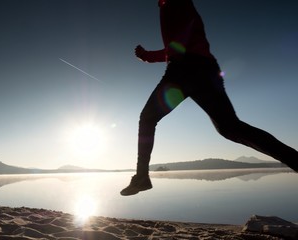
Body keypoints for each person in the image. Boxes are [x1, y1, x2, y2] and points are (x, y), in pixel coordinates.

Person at [120, 0, 298, 196]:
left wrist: (165, 57)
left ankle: (142, 177)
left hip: (184, 69)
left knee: (147, 118)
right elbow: (179, 43)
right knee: (230, 128)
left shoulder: (173, 3)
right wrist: (148, 56)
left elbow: (186, 34)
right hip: (204, 68)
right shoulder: (167, 5)